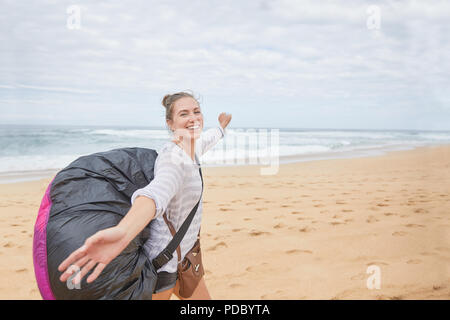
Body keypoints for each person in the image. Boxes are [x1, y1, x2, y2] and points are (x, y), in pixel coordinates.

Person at [58, 92, 232, 300]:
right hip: (163, 266)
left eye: (197, 111)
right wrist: (123, 232)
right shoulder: (173, 157)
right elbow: (156, 193)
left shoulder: (192, 149)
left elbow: (209, 139)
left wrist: (221, 127)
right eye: (184, 114)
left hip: (185, 258)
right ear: (170, 123)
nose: (193, 118)